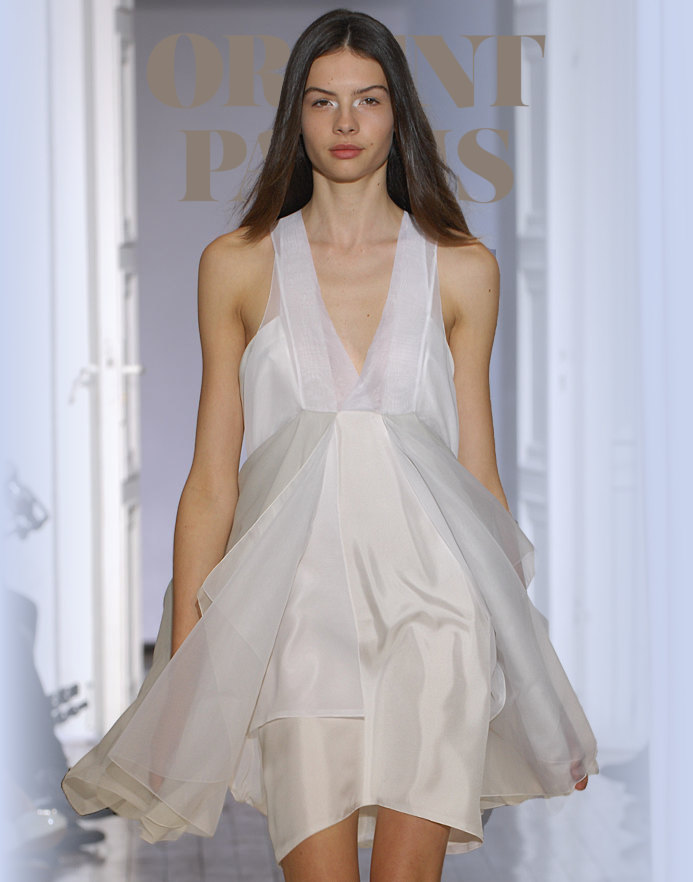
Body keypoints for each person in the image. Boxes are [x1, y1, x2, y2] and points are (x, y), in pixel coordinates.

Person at [62, 9, 598, 882]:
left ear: (398, 114)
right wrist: (185, 667)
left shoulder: (462, 267)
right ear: (296, 117)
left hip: (437, 613)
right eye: (322, 101)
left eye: (367, 100)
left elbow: (478, 477)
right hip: (298, 618)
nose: (345, 122)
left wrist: (532, 682)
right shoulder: (236, 263)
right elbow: (211, 478)